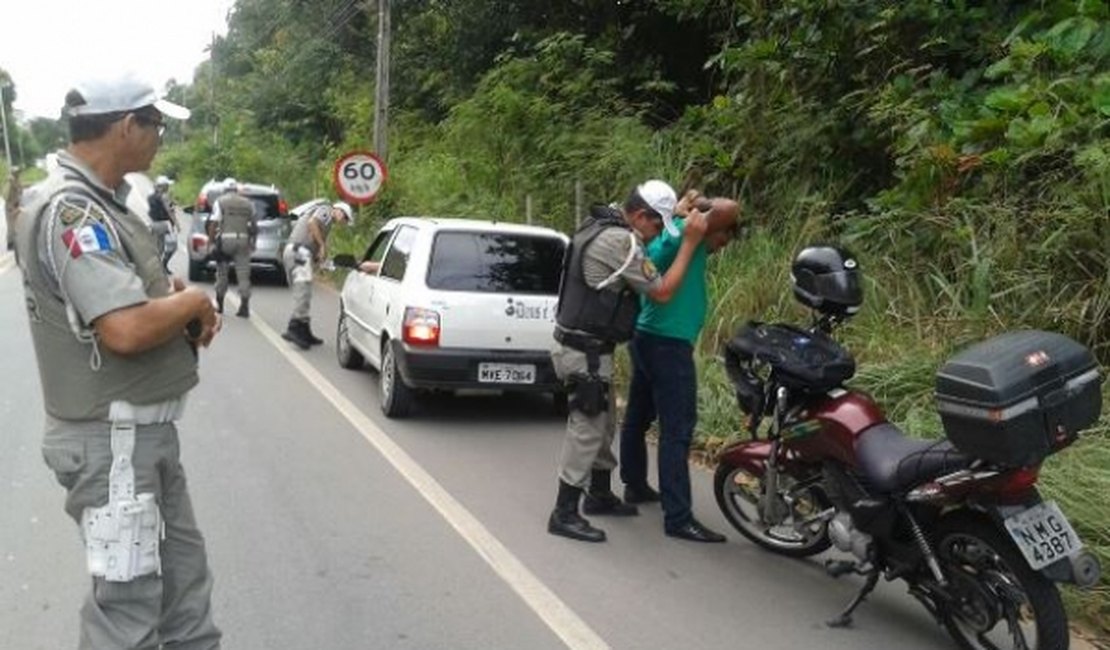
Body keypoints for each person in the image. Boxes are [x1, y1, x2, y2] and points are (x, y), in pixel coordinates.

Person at [14, 73, 223, 649]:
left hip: (137, 439)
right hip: (115, 448)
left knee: (185, 596)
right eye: (155, 124)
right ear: (127, 126)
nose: (159, 137)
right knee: (127, 616)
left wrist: (172, 297)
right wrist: (192, 301)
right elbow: (125, 329)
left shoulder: (106, 205)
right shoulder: (73, 215)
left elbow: (126, 297)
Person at [547, 179, 708, 543]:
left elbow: (643, 244)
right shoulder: (621, 242)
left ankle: (600, 495)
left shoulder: (602, 223)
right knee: (586, 430)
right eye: (654, 225)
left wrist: (671, 216)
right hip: (583, 351)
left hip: (585, 347)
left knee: (605, 424)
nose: (655, 234)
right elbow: (663, 291)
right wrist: (689, 243)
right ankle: (564, 512)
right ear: (638, 215)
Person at [618, 189, 740, 543]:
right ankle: (678, 517)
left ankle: (635, 485)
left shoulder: (656, 240)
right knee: (678, 430)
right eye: (722, 238)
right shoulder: (680, 239)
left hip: (646, 337)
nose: (720, 246)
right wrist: (690, 215)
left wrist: (680, 214)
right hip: (668, 345)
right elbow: (731, 206)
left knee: (637, 419)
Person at [281, 198, 353, 348]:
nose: (343, 221)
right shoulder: (327, 210)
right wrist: (322, 246)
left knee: (304, 292)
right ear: (339, 210)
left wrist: (319, 259)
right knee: (303, 292)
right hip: (299, 252)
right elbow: (312, 223)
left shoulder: (328, 223)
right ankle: (294, 328)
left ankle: (304, 329)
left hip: (300, 253)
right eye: (344, 217)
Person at [207, 179, 257, 318]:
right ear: (236, 190)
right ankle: (244, 306)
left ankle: (220, 304)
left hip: (225, 241)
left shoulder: (220, 201)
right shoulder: (248, 204)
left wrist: (210, 243)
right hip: (243, 240)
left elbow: (214, 222)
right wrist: (253, 241)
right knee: (243, 273)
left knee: (222, 272)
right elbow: (253, 225)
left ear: (224, 190)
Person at [147, 174, 178, 270]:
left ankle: (156, 267)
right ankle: (163, 265)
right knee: (173, 245)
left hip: (153, 223)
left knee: (158, 247)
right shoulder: (164, 196)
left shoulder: (151, 197)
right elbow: (169, 211)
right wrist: (177, 224)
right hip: (165, 224)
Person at [5, 165, 20, 251]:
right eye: (17, 172)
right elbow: (6, 195)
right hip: (10, 206)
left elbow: (19, 188)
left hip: (14, 204)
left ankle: (13, 242)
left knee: (14, 225)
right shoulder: (10, 182)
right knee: (11, 225)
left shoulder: (15, 181)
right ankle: (10, 244)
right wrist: (11, 208)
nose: (18, 174)